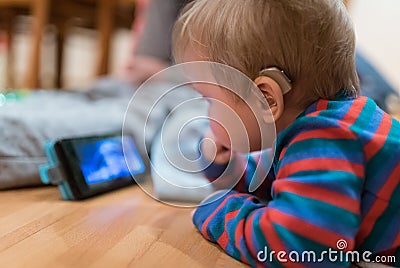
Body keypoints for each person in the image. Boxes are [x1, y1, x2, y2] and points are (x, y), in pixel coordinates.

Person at [172, 0, 400, 267]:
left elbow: (305, 250)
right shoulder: (320, 125)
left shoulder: (325, 139)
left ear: (266, 100)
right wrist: (227, 166)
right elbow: (280, 174)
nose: (207, 114)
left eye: (209, 99)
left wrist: (223, 213)